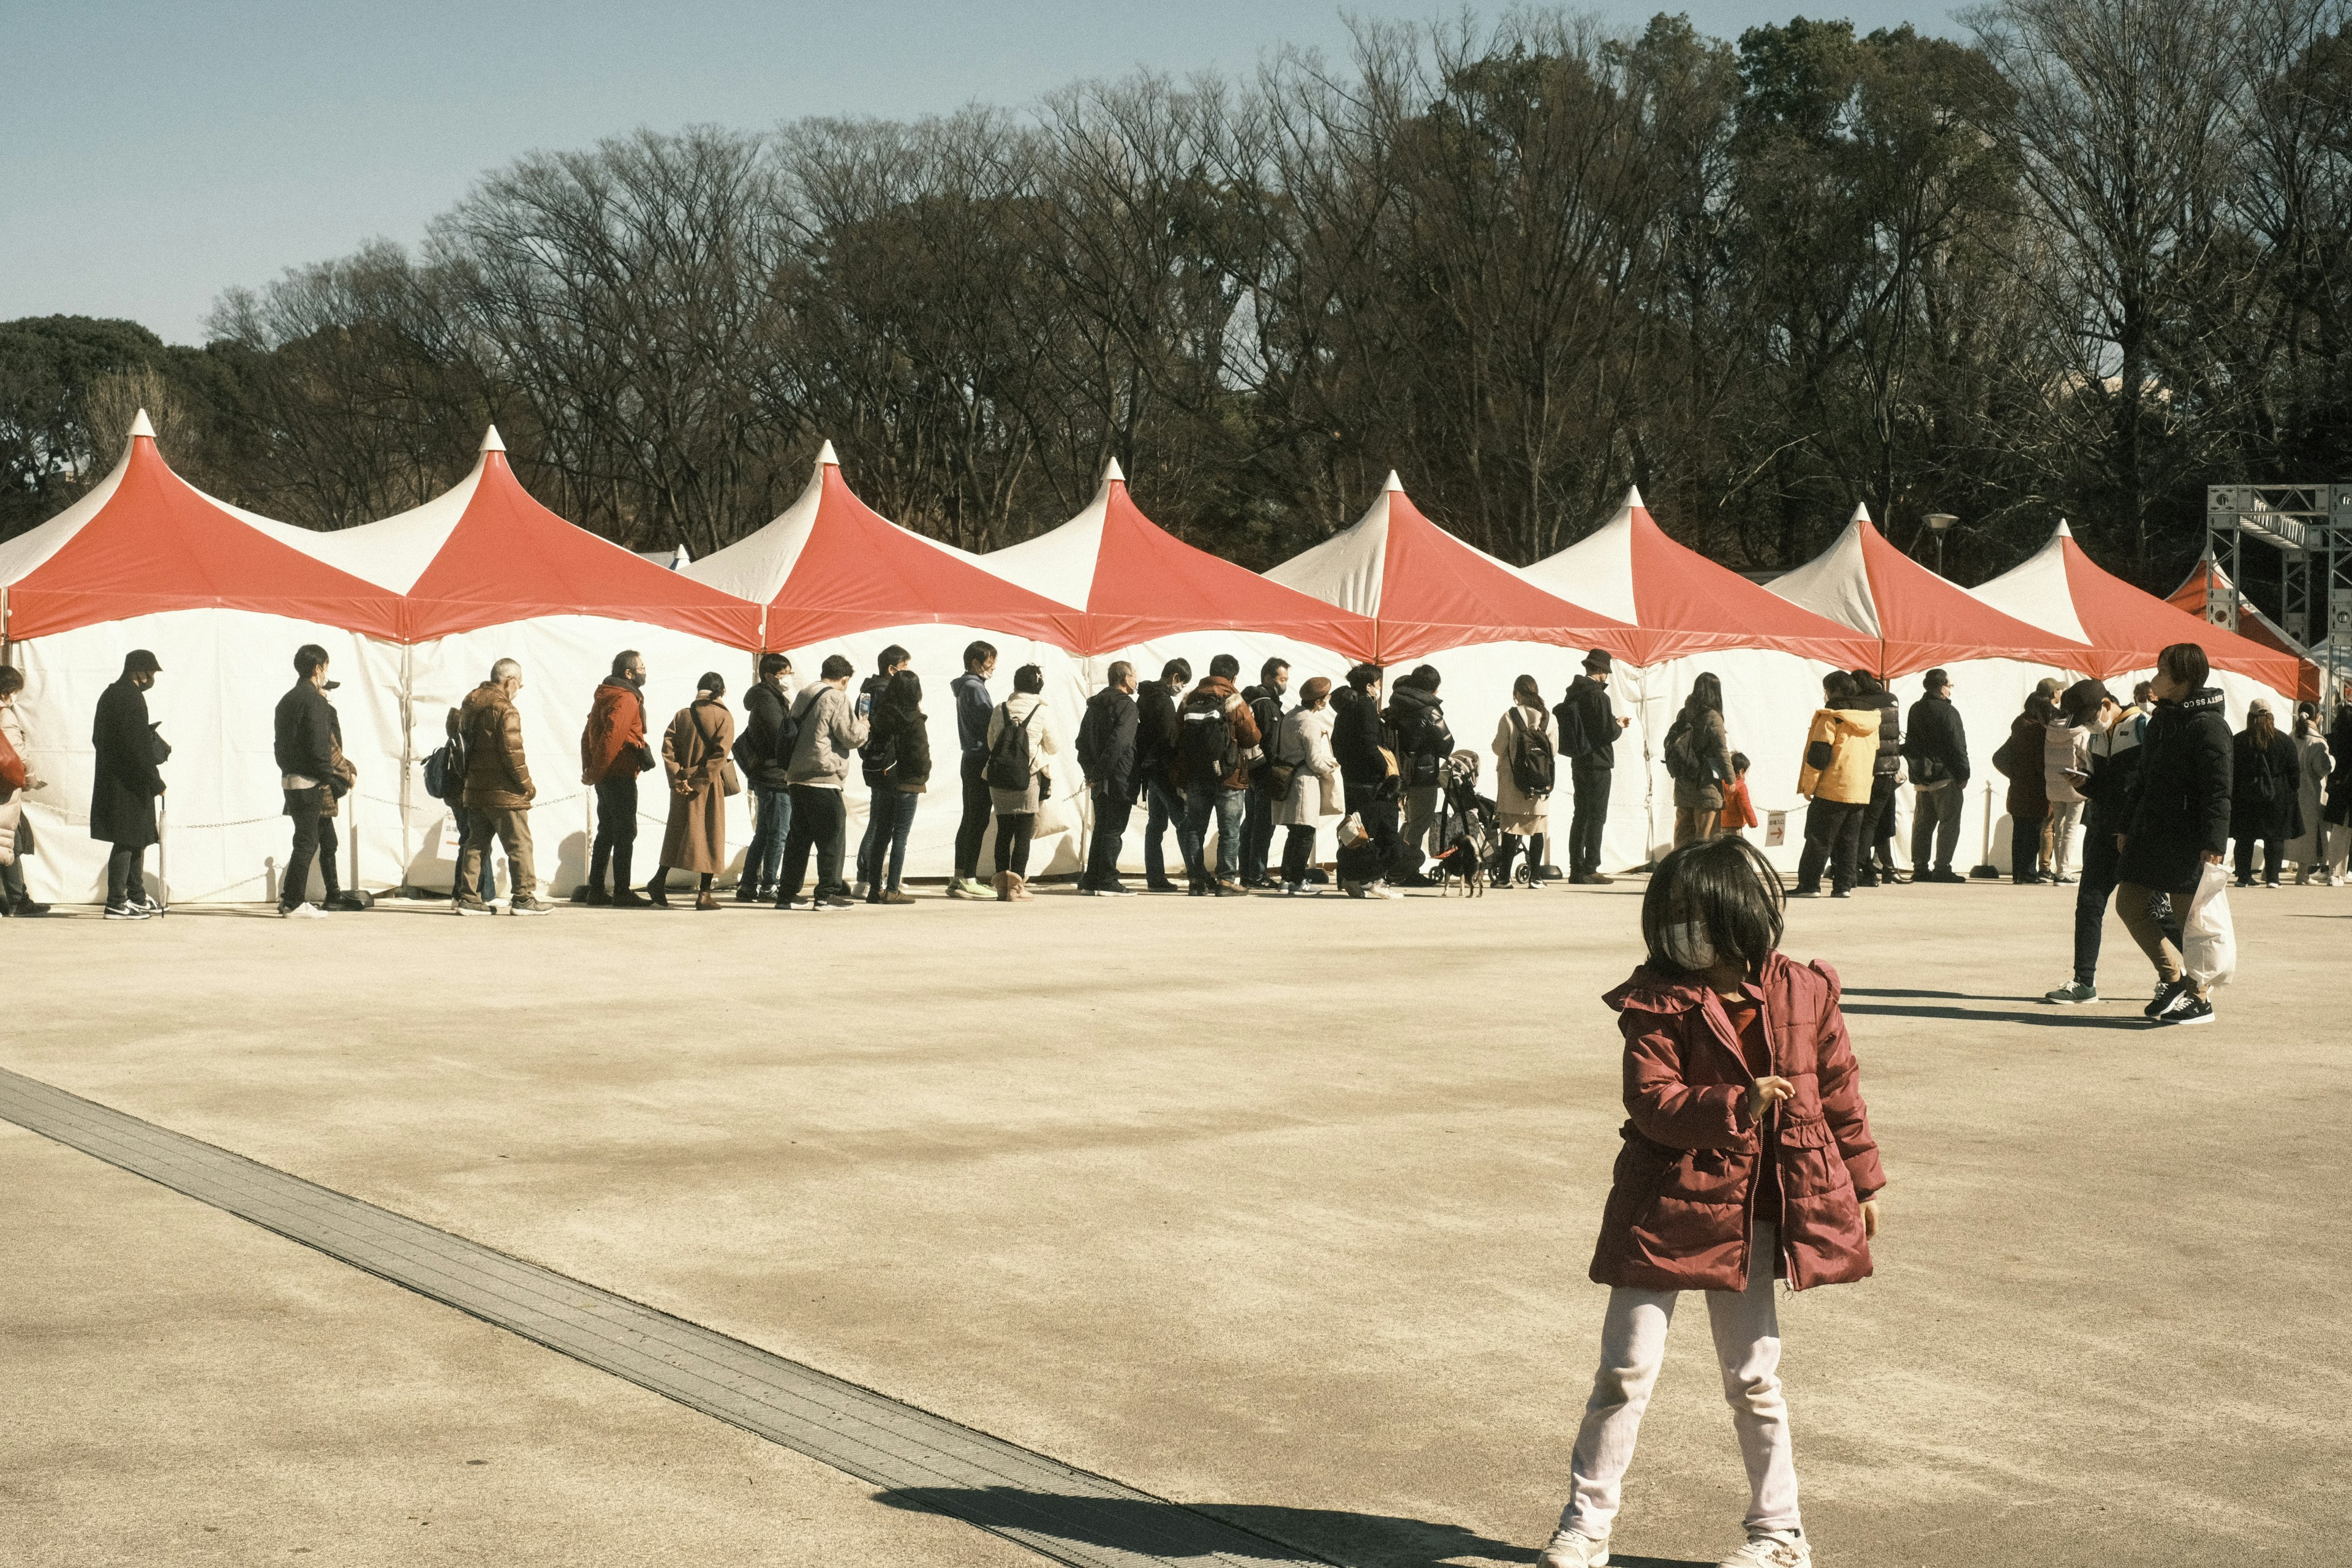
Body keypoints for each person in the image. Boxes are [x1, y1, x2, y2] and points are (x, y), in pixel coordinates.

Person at [1533, 835, 1883, 1568]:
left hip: (1756, 1211)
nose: (1683, 931)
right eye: (1673, 916)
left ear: (1743, 915)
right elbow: (1652, 1099)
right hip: (1663, 1206)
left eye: (1697, 915)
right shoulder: (1655, 998)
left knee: (1754, 1377)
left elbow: (1841, 1089)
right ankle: (1586, 1525)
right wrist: (1736, 1102)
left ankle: (1780, 1535)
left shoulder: (1805, 990)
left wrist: (1863, 1179)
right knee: (1623, 1371)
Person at [2117, 642, 2233, 1027]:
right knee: (2129, 904)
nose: (2155, 677)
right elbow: (2143, 779)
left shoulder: (2210, 724)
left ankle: (2200, 998)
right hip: (2151, 831)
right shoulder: (2163, 718)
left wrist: (2214, 843)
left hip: (2188, 837)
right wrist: (2126, 824)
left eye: (2163, 670)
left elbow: (2219, 790)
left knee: (2192, 924)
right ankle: (2174, 979)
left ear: (2183, 678)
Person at [2044, 681, 2173, 1006]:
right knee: (2089, 905)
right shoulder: (2097, 736)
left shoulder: (2143, 726)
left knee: (2157, 911)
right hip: (2103, 831)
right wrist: (2084, 784)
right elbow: (2106, 789)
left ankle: (2189, 979)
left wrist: (2137, 829)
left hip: (2137, 836)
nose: (2087, 725)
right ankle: (2084, 981)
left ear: (2106, 704)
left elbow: (2150, 787)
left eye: (2089, 716)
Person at [453, 658, 552, 916]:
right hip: (504, 793)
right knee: (520, 845)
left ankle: (469, 898)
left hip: (476, 789)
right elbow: (513, 753)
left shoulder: (470, 704)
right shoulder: (506, 710)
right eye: (519, 684)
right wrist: (527, 786)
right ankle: (524, 899)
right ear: (510, 682)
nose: (518, 689)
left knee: (476, 844)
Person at [775, 654, 868, 911]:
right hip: (823, 776)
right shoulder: (837, 697)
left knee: (799, 840)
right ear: (845, 679)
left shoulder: (805, 694)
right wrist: (864, 726)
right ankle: (827, 894)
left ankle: (787, 895)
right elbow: (850, 736)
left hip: (797, 777)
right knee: (832, 838)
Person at [272, 644, 353, 918]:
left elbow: (279, 747)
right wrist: (327, 776)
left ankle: (288, 900)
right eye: (326, 667)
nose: (326, 673)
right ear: (318, 668)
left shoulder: (286, 700)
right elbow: (321, 746)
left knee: (306, 840)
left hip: (290, 779)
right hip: (311, 782)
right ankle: (293, 903)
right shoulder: (315, 701)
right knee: (307, 843)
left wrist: (289, 768)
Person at [1177, 654, 1264, 896]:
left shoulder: (1188, 700)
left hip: (1196, 775)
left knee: (1194, 828)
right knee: (1229, 831)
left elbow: (1177, 738)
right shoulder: (1235, 701)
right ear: (1233, 677)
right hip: (1229, 776)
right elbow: (1253, 737)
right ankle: (1226, 881)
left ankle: (1197, 880)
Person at [91, 649, 168, 920]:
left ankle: (135, 895)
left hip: (116, 779)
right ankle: (116, 902)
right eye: (151, 673)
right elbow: (137, 749)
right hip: (130, 783)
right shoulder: (132, 699)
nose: (152, 679)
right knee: (126, 841)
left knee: (139, 839)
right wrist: (156, 781)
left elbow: (101, 739)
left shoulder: (110, 694)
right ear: (139, 671)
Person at [649, 673, 736, 911]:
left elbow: (668, 748)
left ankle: (658, 881)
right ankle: (704, 894)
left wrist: (678, 777)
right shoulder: (724, 717)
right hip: (708, 785)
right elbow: (719, 755)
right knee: (710, 835)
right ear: (722, 691)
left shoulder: (682, 714)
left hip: (682, 784)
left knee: (676, 834)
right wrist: (699, 782)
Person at [1793, 671, 1880, 899]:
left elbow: (1818, 757)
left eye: (1827, 691)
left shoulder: (1831, 717)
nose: (1825, 696)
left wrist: (1809, 787)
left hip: (1833, 787)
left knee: (1819, 838)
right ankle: (1843, 886)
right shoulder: (1871, 719)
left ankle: (1810, 885)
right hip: (1860, 790)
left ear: (1835, 691)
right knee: (1849, 841)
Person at [581, 649, 654, 908]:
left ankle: (596, 888)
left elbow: (588, 734)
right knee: (625, 832)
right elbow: (613, 738)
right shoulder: (627, 699)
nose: (645, 671)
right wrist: (595, 772)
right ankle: (622, 890)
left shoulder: (605, 695)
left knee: (607, 830)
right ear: (629, 673)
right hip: (619, 773)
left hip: (606, 775)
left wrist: (591, 770)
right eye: (642, 668)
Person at [984, 663, 1060, 901]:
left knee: (1003, 831)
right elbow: (1054, 747)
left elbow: (991, 742)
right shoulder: (1042, 711)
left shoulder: (1000, 709)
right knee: (1023, 833)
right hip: (1027, 778)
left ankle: (1001, 887)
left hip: (999, 779)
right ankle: (1017, 887)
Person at [1330, 663, 1401, 898]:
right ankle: (1375, 879)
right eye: (1379, 684)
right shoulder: (1366, 708)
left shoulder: (1345, 708)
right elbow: (1371, 746)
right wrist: (1384, 771)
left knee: (1355, 833)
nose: (1380, 688)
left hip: (1351, 779)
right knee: (1384, 835)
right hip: (1372, 783)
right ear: (1370, 686)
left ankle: (1350, 877)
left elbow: (1337, 743)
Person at [1558, 650, 1629, 884]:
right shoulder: (1599, 697)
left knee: (1580, 815)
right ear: (1601, 671)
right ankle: (1591, 866)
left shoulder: (1573, 693)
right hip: (1598, 763)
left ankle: (1576, 867)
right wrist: (1618, 725)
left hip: (1579, 761)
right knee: (1597, 816)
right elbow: (1605, 732)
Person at [864, 667, 929, 904]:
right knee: (900, 836)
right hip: (908, 784)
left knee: (881, 834)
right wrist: (924, 775)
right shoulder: (915, 720)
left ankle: (874, 889)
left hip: (883, 781)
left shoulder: (881, 716)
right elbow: (921, 756)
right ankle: (892, 889)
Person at [1076, 661, 1140, 896]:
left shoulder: (1094, 706)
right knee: (1113, 829)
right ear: (1125, 678)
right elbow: (1120, 743)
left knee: (1102, 827)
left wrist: (1092, 773)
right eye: (1134, 676)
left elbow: (1081, 743)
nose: (1137, 680)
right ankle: (1107, 880)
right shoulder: (1127, 707)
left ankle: (1091, 879)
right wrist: (1100, 772)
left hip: (1098, 777)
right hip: (1120, 776)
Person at [737, 654, 796, 903]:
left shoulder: (767, 698)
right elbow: (779, 736)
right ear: (772, 676)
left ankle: (748, 885)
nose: (790, 678)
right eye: (787, 673)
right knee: (779, 833)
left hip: (766, 774)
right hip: (774, 776)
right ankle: (769, 884)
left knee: (764, 832)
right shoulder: (767, 699)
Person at [1272, 676, 1340, 895]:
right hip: (1304, 782)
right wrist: (1332, 766)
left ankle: (1286, 880)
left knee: (1294, 834)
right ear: (1319, 702)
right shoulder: (1309, 722)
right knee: (1305, 833)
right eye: (1327, 697)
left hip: (1289, 778)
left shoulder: (1291, 716)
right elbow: (1314, 761)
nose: (1328, 700)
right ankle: (1298, 881)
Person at [854, 645, 911, 898]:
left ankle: (865, 877)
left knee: (877, 820)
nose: (907, 672)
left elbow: (861, 727)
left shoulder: (865, 692)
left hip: (873, 762)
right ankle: (868, 878)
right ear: (892, 669)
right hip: (889, 764)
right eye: (905, 667)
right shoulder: (888, 693)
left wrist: (868, 754)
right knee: (883, 824)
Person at [1901, 669, 1969, 882]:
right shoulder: (1949, 712)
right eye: (1950, 686)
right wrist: (1964, 773)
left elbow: (1912, 741)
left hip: (1922, 774)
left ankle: (1920, 867)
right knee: (1949, 824)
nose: (1951, 690)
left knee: (1922, 825)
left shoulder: (1916, 709)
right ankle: (1942, 868)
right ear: (1942, 689)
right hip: (1945, 776)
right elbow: (1958, 746)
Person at [1387, 665, 1452, 886]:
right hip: (1424, 773)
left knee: (1408, 821)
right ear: (1434, 687)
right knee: (1420, 821)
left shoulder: (1396, 703)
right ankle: (1406, 870)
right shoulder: (1429, 709)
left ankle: (1393, 863)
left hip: (1399, 770)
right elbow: (1447, 742)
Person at [1490, 674, 1556, 888]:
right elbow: (1554, 750)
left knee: (1510, 830)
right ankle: (1536, 878)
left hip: (1513, 784)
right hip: (1540, 784)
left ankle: (1504, 878)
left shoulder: (1509, 717)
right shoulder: (1549, 718)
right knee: (1537, 829)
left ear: (1517, 694)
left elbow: (1498, 748)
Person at [1134, 658, 1192, 892]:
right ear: (1174, 678)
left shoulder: (1144, 696)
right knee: (1183, 822)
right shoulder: (1164, 702)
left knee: (1155, 825)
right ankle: (1196, 873)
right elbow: (1170, 739)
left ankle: (1155, 877)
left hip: (1148, 772)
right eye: (1183, 683)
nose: (1182, 688)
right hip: (1163, 771)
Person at [0, 665, 53, 917]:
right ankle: (17, 901)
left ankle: (16, 898)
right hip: (4, 788)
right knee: (9, 844)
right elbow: (17, 756)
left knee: (10, 843)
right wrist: (31, 780)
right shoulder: (5, 714)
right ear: (7, 691)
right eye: (16, 691)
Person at [2230, 699, 2299, 889]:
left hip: (2245, 795)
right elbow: (2294, 773)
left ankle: (2243, 877)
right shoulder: (2284, 740)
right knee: (2275, 838)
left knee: (2244, 838)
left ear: (2250, 718)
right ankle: (2273, 879)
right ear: (2271, 717)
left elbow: (2230, 770)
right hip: (2276, 796)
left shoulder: (2239, 740)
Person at [949, 641, 999, 900]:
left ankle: (960, 876)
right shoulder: (975, 688)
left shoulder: (965, 687)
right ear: (976, 663)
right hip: (980, 759)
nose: (993, 667)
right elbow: (990, 724)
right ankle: (968, 877)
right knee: (978, 820)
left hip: (969, 758)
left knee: (970, 818)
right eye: (991, 662)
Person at [1845, 669, 1902, 886]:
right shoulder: (1891, 700)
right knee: (1879, 821)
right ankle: (1880, 867)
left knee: (1862, 821)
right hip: (1888, 769)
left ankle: (1859, 865)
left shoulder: (1858, 704)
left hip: (1865, 768)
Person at [1664, 674, 1733, 848]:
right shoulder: (1713, 717)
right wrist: (1731, 779)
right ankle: (1700, 874)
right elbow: (1721, 751)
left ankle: (1679, 871)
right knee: (1705, 839)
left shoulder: (1685, 713)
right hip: (1706, 783)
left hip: (1684, 781)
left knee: (1683, 837)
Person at [1240, 657, 1291, 888]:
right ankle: (1257, 874)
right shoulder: (1267, 705)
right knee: (1262, 827)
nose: (1285, 684)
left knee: (1250, 824)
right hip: (1265, 773)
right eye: (1282, 679)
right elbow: (1272, 743)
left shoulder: (1247, 699)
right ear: (1268, 678)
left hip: (1249, 772)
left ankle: (1247, 872)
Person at [1998, 690, 2055, 886]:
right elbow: (2040, 761)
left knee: (2020, 833)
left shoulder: (2019, 726)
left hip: (2018, 788)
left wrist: (2014, 775)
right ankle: (2028, 873)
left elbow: (2000, 757)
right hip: (2036, 788)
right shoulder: (2038, 731)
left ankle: (2018, 874)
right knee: (2032, 834)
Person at [2042, 688, 2091, 885]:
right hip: (2074, 783)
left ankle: (2059, 869)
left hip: (2054, 783)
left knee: (2059, 828)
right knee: (2071, 828)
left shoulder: (2051, 728)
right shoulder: (2080, 730)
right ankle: (2064, 871)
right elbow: (2085, 756)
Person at [2286, 701, 2330, 884]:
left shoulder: (2291, 736)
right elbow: (2323, 768)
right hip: (2310, 792)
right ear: (2317, 717)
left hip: (2291, 789)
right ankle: (2303, 873)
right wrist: (2333, 761)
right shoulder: (2317, 741)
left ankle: (2269, 870)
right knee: (2308, 833)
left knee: (2288, 833)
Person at [2324, 683, 2352, 886]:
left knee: (2338, 832)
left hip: (2338, 789)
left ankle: (2335, 871)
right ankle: (2341, 872)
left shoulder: (2331, 739)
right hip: (2348, 788)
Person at [1720, 753, 1758, 840]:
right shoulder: (1741, 786)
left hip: (1721, 825)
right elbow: (1746, 807)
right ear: (1741, 772)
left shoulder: (1721, 783)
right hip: (1735, 827)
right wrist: (1753, 823)